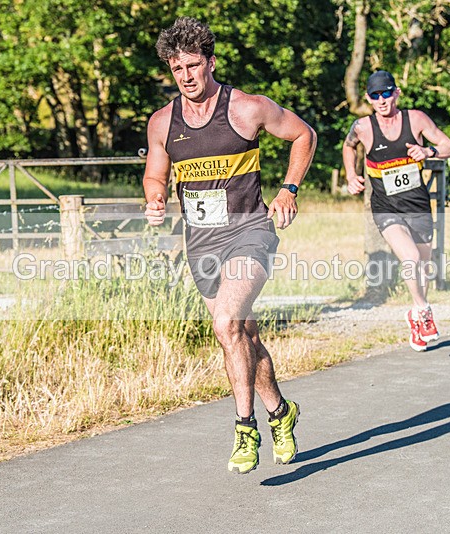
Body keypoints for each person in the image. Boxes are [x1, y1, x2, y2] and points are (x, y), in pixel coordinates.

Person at [143, 17, 317, 474]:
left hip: (249, 233)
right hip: (200, 245)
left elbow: (304, 135)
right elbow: (155, 172)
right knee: (243, 335)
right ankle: (282, 412)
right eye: (176, 68)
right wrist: (155, 196)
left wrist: (288, 190)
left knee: (226, 323)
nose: (186, 76)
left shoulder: (246, 109)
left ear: (211, 62)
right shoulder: (163, 122)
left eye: (193, 65)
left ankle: (246, 428)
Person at [342, 70, 450, 352]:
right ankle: (423, 309)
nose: (381, 100)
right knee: (411, 257)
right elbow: (348, 146)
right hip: (385, 207)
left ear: (396, 93)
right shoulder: (363, 127)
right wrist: (350, 175)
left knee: (424, 266)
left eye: (386, 93)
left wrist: (428, 152)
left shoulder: (415, 119)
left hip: (417, 205)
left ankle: (417, 316)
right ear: (369, 98)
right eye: (375, 95)